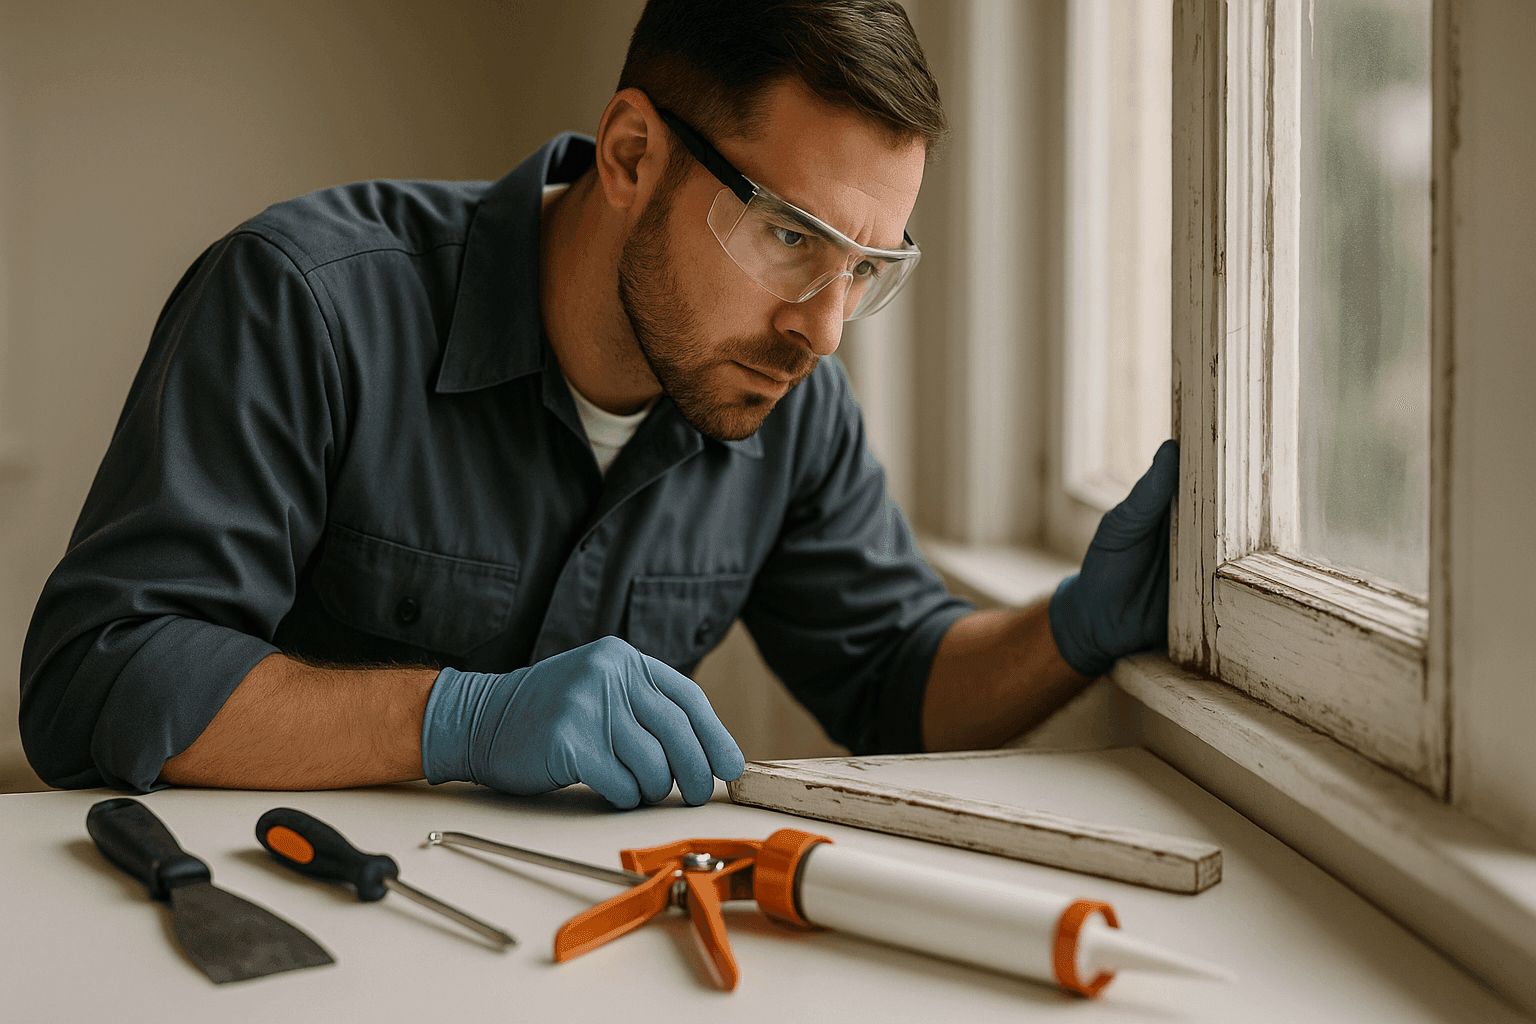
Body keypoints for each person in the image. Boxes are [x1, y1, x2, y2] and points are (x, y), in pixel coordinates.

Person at [19, 0, 1176, 807]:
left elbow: (896, 680)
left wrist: (1073, 627)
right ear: (630, 154)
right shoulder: (307, 305)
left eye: (867, 270)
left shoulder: (787, 402)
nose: (822, 330)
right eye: (790, 237)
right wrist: (452, 720)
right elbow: (97, 674)